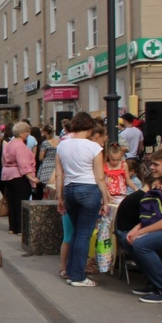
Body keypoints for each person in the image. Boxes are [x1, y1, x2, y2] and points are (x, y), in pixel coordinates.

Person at [55, 112, 110, 288]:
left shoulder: (62, 146)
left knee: (77, 233)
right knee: (84, 235)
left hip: (69, 190)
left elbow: (59, 174)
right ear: (89, 127)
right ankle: (78, 276)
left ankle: (72, 271)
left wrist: (60, 197)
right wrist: (106, 200)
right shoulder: (94, 148)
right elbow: (100, 177)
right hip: (88, 189)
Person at [124, 150, 162, 303]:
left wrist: (142, 232)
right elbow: (161, 214)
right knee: (128, 238)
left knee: (141, 244)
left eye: (156, 164)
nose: (151, 167)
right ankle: (154, 283)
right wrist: (138, 228)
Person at [1, 122, 39, 235]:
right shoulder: (20, 146)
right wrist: (31, 178)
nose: (28, 134)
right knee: (20, 202)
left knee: (12, 201)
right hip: (18, 175)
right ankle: (21, 228)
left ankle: (12, 227)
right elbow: (23, 163)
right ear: (21, 133)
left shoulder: (9, 144)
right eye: (26, 131)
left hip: (7, 175)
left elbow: (4, 159)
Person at [35, 125, 59, 200]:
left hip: (46, 166)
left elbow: (40, 157)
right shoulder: (58, 141)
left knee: (46, 188)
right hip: (56, 164)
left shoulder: (45, 143)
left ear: (45, 132)